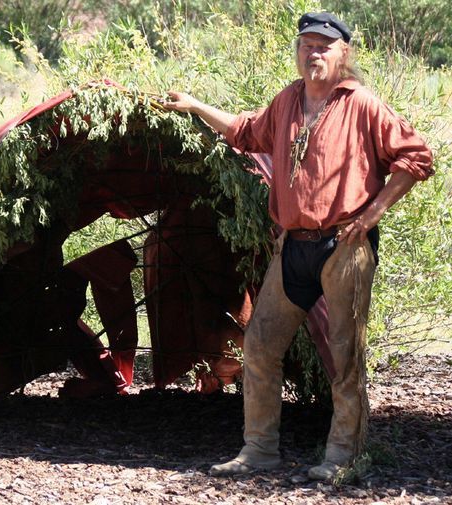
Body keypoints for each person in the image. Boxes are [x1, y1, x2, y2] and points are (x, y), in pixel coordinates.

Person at [164, 12, 433, 480]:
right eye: (306, 45)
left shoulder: (362, 103)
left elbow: (416, 157)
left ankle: (343, 458)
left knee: (345, 354)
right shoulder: (288, 100)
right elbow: (246, 133)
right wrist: (195, 106)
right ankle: (259, 450)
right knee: (261, 345)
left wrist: (374, 212)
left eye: (323, 46)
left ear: (343, 53)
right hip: (294, 248)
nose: (313, 53)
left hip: (345, 247)